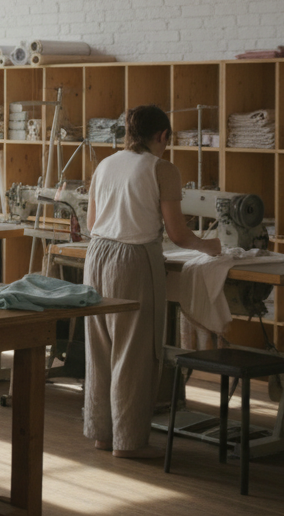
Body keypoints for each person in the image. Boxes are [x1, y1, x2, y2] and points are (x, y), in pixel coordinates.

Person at [84, 105, 219, 459]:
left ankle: (102, 434)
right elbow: (177, 233)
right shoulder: (162, 168)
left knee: (101, 347)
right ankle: (128, 442)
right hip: (133, 259)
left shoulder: (105, 164)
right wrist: (210, 246)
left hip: (96, 254)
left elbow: (91, 221)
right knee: (135, 351)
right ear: (161, 136)